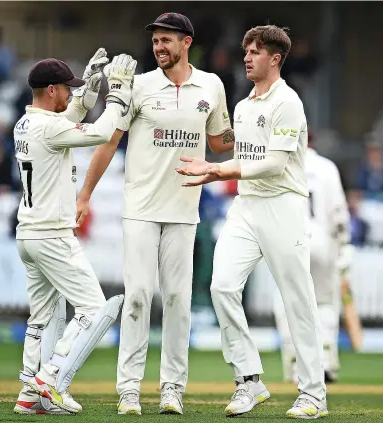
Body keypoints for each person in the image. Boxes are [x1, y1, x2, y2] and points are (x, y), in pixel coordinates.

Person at [76, 13, 233, 415]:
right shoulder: (140, 86)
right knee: (139, 296)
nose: (159, 47)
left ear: (186, 42)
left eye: (166, 40)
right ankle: (129, 389)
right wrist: (85, 195)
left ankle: (172, 390)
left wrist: (248, 126)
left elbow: (218, 142)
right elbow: (109, 143)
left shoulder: (211, 86)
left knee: (179, 299)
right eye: (155, 42)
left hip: (184, 210)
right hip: (141, 208)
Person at [176, 25, 328, 419]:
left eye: (255, 52)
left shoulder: (288, 102)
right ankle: (249, 380)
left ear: (275, 59)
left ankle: (313, 394)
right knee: (222, 286)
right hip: (247, 207)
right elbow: (238, 152)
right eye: (246, 51)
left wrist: (218, 171)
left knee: (298, 301)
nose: (246, 57)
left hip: (283, 206)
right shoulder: (243, 107)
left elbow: (275, 164)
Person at [13, 49, 137, 415]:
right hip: (52, 234)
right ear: (51, 90)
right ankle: (49, 378)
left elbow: (69, 116)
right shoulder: (50, 128)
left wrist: (86, 91)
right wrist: (116, 92)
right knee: (93, 308)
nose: (70, 93)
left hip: (29, 234)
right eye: (66, 88)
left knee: (42, 316)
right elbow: (99, 133)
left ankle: (28, 393)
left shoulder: (27, 123)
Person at [273, 129, 352, 384]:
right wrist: (343, 246)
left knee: (289, 302)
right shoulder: (327, 167)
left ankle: (296, 364)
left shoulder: (281, 163)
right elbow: (339, 213)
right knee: (325, 303)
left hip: (290, 239)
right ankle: (326, 360)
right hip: (322, 241)